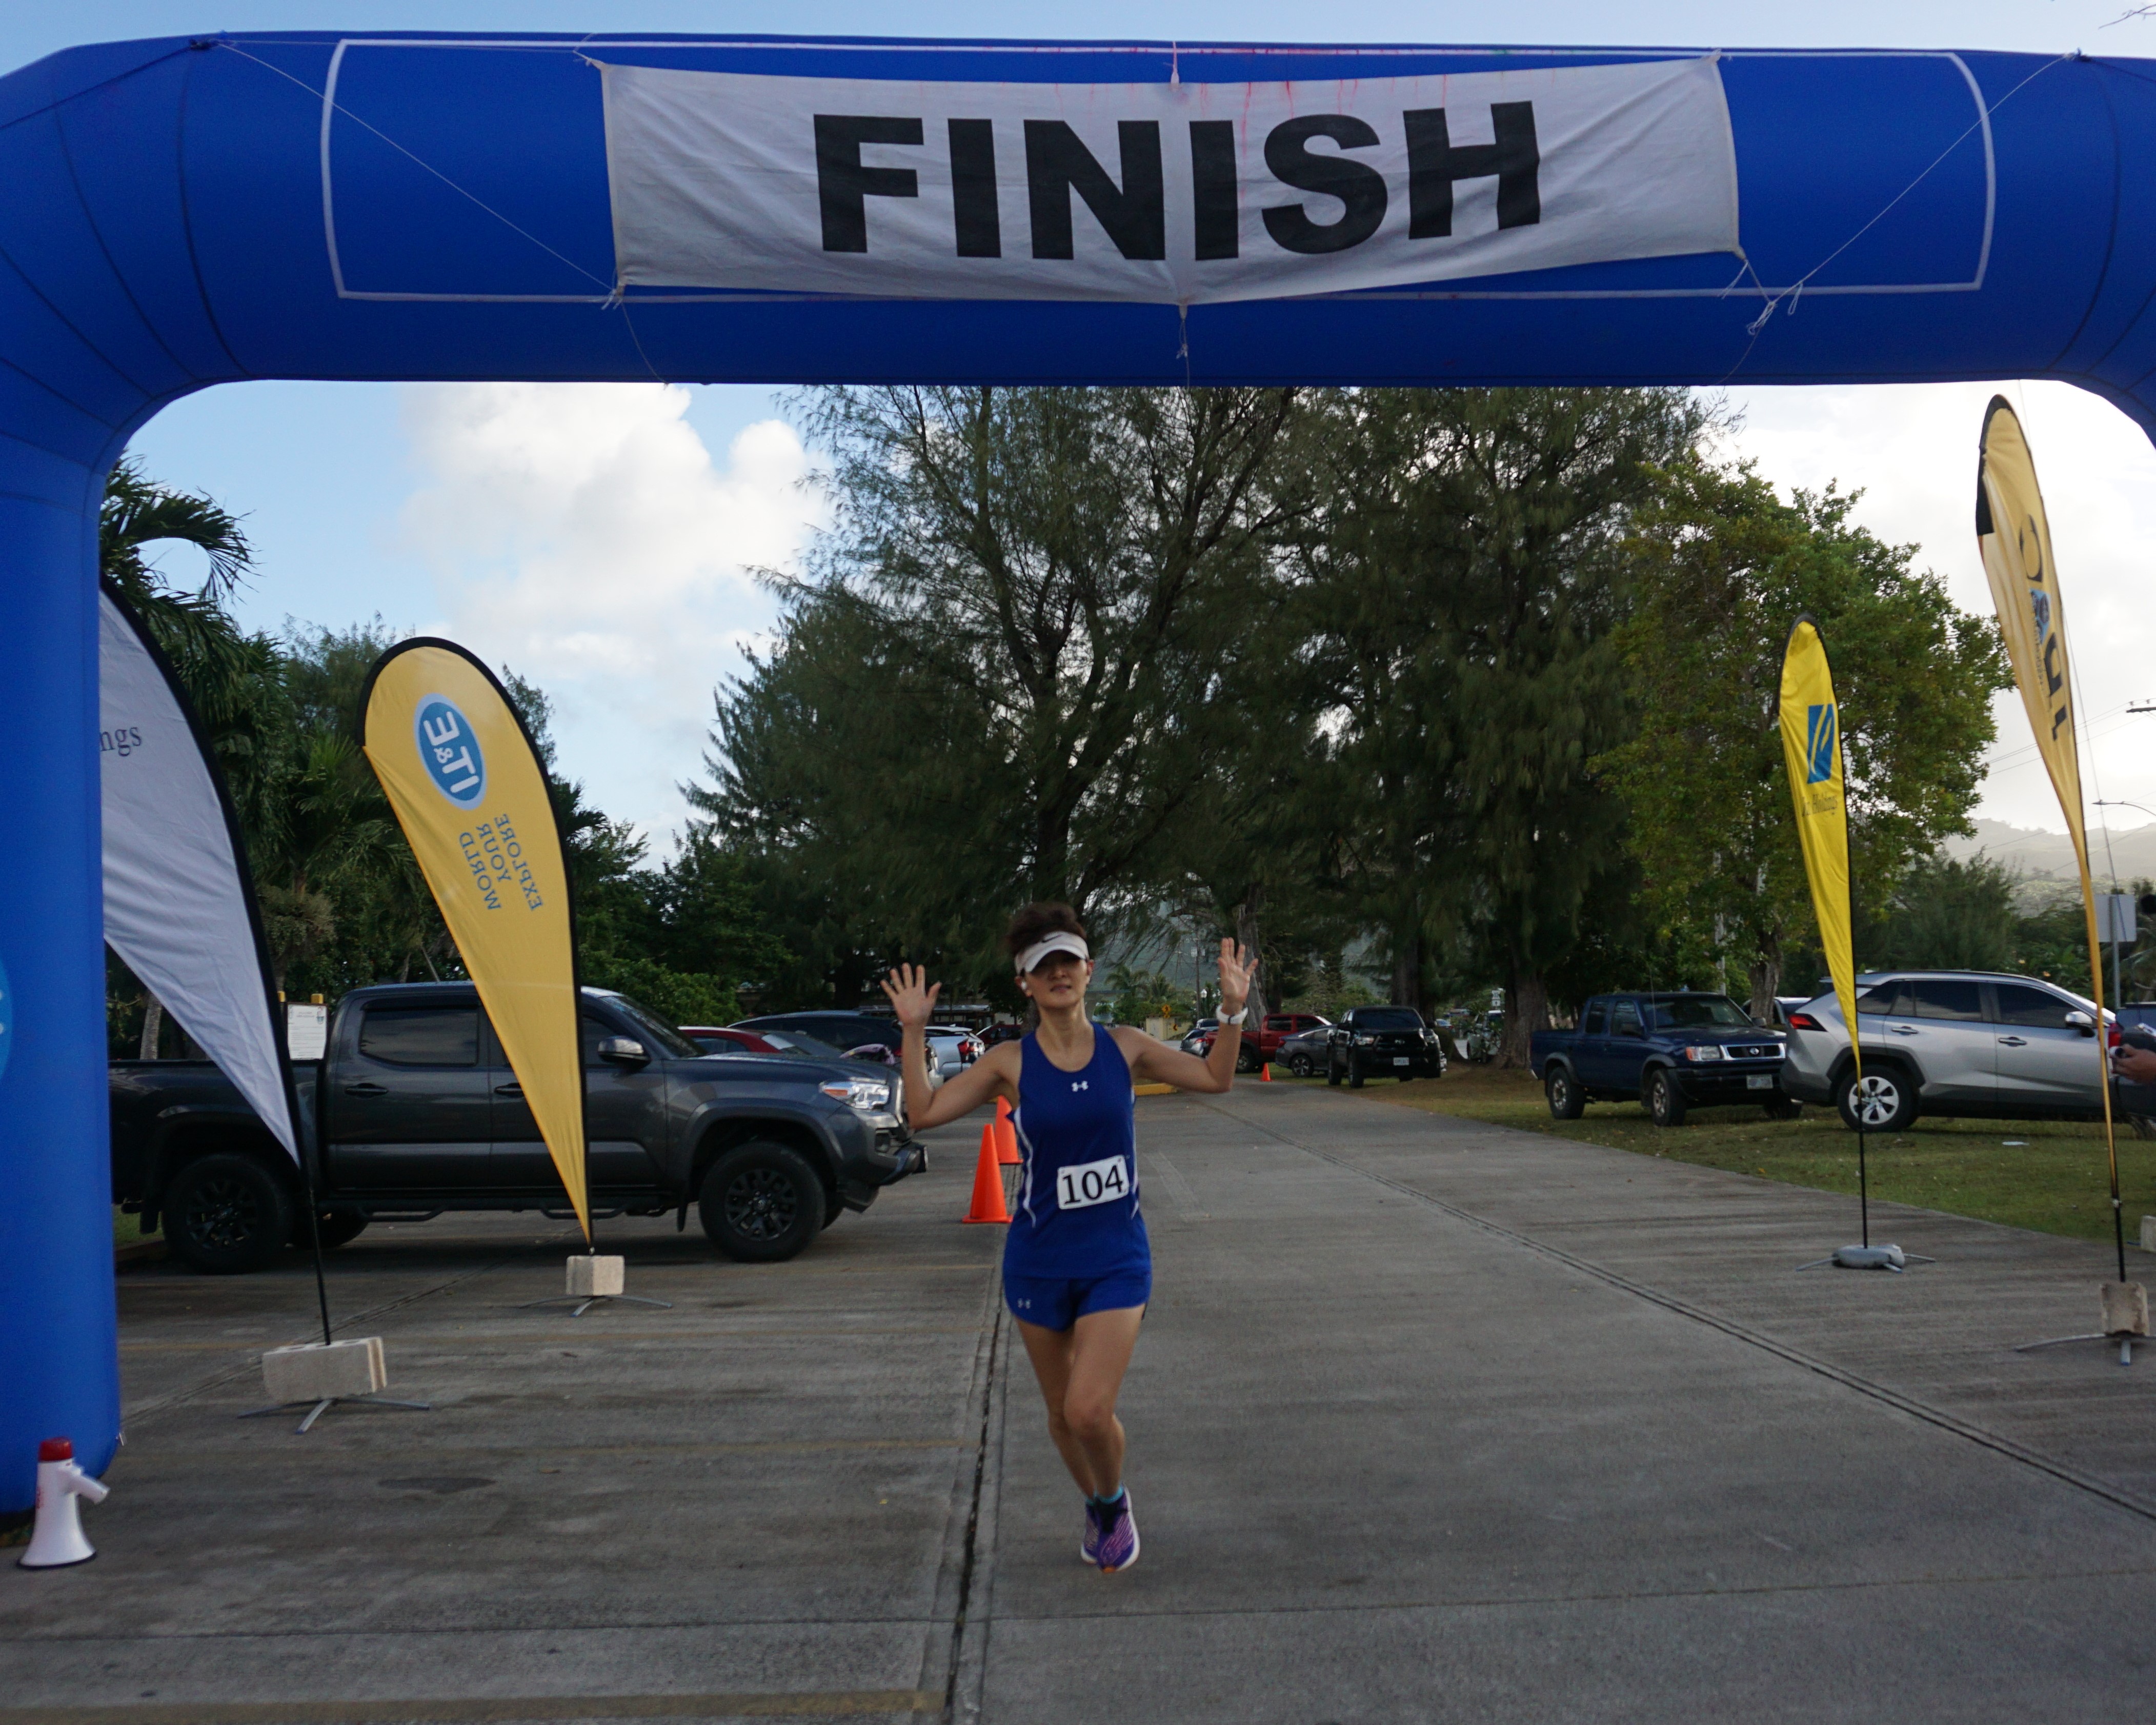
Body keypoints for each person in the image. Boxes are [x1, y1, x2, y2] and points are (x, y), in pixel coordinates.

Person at [882, 903, 1256, 1574]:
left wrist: (1231, 1014)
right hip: (1038, 1262)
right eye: (1041, 966)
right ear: (1024, 982)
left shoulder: (1127, 1047)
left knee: (1088, 1410)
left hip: (1116, 1258)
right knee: (1059, 1416)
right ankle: (1097, 1504)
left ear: (1088, 968)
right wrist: (912, 1033)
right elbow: (924, 1112)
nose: (1057, 974)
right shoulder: (1008, 1062)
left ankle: (1112, 1499)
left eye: (1067, 961)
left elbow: (1216, 1078)